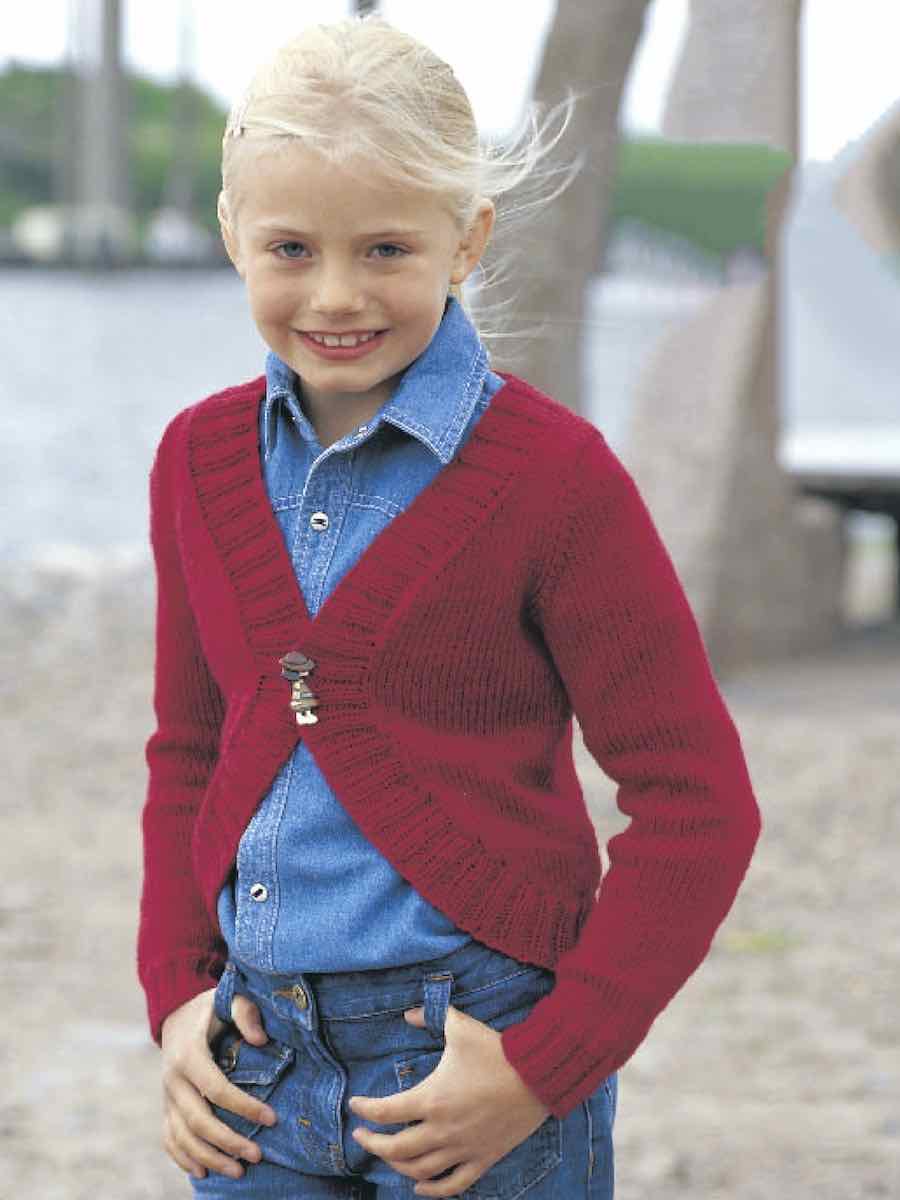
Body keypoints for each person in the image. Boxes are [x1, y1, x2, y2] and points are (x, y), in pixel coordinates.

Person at [137, 16, 761, 1200]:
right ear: (230, 234)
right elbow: (191, 753)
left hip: (481, 1056)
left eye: (385, 249)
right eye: (290, 248)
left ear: (467, 238)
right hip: (251, 1065)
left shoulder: (557, 482)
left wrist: (547, 1066)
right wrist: (173, 994)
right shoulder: (195, 463)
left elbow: (699, 803)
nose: (335, 295)